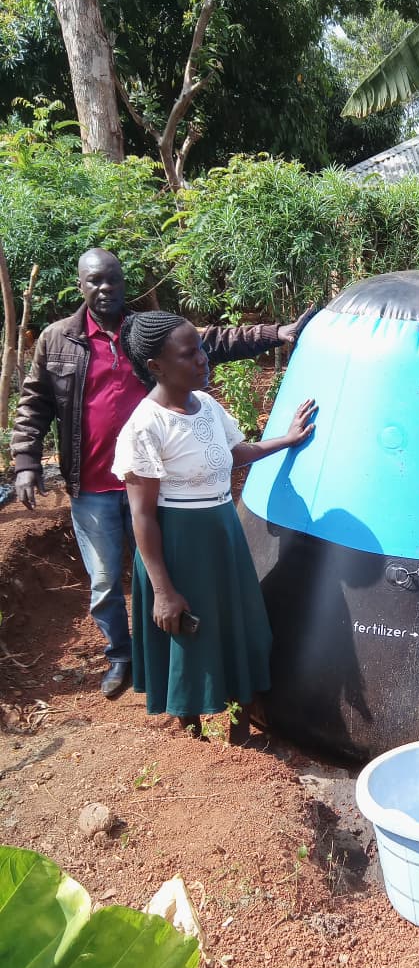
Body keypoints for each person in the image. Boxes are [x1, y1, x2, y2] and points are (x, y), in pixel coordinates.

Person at [11, 248, 313, 698]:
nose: (105, 288)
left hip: (165, 488)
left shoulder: (145, 334)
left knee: (166, 576)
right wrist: (25, 462)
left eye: (112, 279)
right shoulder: (58, 340)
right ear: (81, 286)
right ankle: (121, 656)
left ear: (123, 282)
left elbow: (214, 341)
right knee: (106, 580)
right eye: (94, 281)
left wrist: (278, 333)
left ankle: (173, 668)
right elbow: (34, 404)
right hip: (94, 483)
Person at [112, 310, 316, 744]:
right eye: (189, 354)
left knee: (235, 631)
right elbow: (143, 515)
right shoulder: (145, 427)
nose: (203, 360)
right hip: (181, 547)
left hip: (223, 538)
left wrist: (287, 438)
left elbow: (235, 453)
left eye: (202, 348)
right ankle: (195, 743)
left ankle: (239, 736)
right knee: (191, 637)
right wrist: (163, 590)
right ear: (156, 366)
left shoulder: (205, 405)